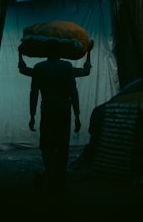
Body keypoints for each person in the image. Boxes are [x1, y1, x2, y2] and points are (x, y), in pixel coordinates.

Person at [18, 41, 93, 193]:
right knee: (62, 146)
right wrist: (77, 116)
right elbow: (77, 86)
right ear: (60, 52)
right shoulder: (67, 67)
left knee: (47, 146)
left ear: (46, 52)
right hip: (64, 111)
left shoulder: (40, 68)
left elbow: (30, 84)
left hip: (47, 111)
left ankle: (52, 174)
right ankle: (60, 178)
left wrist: (32, 116)